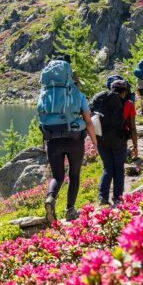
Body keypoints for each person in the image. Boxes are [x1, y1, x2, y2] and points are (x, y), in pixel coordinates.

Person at [39, 59, 98, 222]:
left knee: (57, 176)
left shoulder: (45, 94)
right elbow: (88, 121)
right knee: (74, 175)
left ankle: (50, 198)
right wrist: (94, 142)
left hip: (53, 140)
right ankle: (70, 210)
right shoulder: (78, 95)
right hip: (74, 140)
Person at [92, 78, 140, 207]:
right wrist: (135, 146)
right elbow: (133, 127)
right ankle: (118, 198)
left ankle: (102, 197)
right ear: (124, 91)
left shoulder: (102, 102)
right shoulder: (128, 104)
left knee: (107, 167)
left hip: (102, 140)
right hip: (120, 140)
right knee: (118, 168)